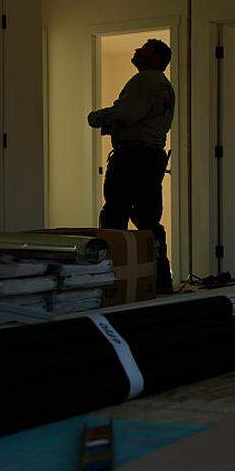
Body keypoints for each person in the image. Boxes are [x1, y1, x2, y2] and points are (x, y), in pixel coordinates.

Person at [87, 38, 175, 294]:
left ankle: (113, 283)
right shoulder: (164, 85)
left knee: (115, 216)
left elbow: (126, 113)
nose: (136, 51)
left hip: (132, 159)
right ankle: (160, 281)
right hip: (151, 158)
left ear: (156, 58)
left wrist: (96, 117)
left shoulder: (144, 80)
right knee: (149, 220)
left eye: (144, 49)